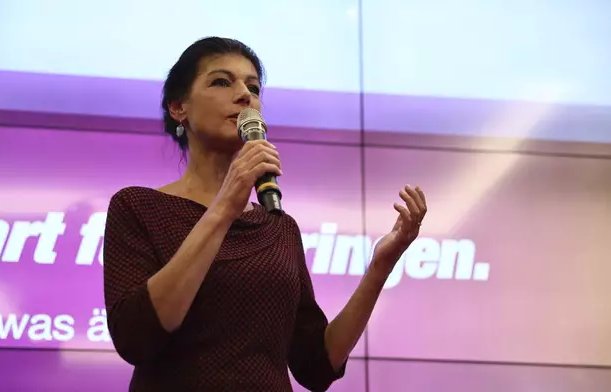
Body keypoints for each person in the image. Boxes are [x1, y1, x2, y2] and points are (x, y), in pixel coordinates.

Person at [103, 36, 427, 391]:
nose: (245, 96)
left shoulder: (280, 228)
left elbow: (316, 365)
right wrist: (226, 204)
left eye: (253, 87)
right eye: (222, 82)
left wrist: (381, 266)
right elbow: (136, 337)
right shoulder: (137, 207)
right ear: (178, 107)